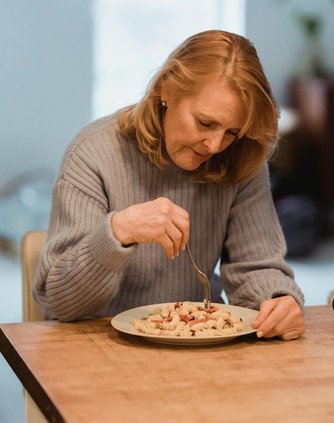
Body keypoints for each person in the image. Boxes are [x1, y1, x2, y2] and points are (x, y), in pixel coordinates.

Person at [34, 30, 305, 341]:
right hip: (97, 345)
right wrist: (118, 232)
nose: (215, 145)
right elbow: (60, 302)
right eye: (205, 123)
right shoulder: (92, 153)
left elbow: (256, 267)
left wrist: (276, 302)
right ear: (166, 89)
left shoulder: (240, 157)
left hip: (198, 347)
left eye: (232, 131)